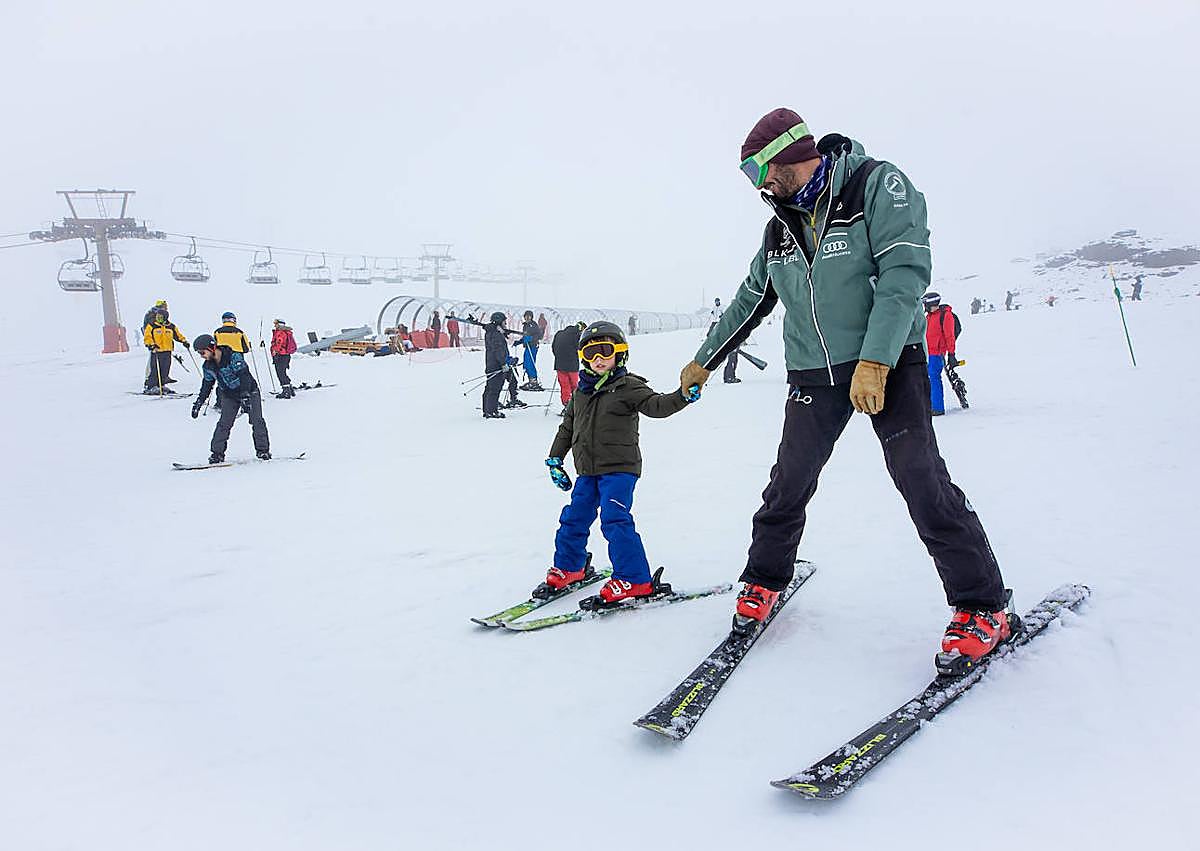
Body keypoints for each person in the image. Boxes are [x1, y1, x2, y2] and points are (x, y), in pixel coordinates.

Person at [681, 108, 1010, 665]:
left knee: (921, 479)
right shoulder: (780, 226)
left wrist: (876, 361)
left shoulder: (876, 185)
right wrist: (703, 360)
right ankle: (765, 578)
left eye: (760, 170)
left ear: (787, 153)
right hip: (816, 370)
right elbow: (750, 298)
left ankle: (981, 606)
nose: (760, 185)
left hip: (890, 363)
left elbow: (904, 274)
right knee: (788, 480)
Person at [540, 321, 699, 605]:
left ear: (620, 353)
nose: (598, 358)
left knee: (614, 519)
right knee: (573, 518)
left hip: (620, 469)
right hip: (587, 471)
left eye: (605, 350)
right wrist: (555, 459)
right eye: (590, 353)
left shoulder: (629, 387)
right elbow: (567, 428)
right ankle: (570, 567)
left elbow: (658, 406)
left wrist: (682, 396)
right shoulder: (580, 394)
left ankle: (634, 578)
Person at [191, 334, 270, 463]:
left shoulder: (233, 357)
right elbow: (206, 385)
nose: (201, 355)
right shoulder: (208, 367)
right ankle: (217, 454)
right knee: (224, 423)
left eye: (202, 352)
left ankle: (263, 451)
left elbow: (244, 375)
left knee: (256, 420)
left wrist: (245, 395)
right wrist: (199, 403)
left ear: (211, 347)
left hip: (250, 391)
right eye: (199, 353)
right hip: (229, 395)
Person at [922, 292, 958, 416]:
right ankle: (930, 405)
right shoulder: (928, 317)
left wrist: (951, 354)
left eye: (925, 303)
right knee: (927, 379)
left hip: (938, 354)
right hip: (927, 353)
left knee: (934, 379)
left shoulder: (945, 316)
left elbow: (950, 336)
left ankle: (937, 407)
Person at [481, 312, 519, 419]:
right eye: (504, 321)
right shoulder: (496, 335)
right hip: (496, 365)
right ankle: (491, 411)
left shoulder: (492, 332)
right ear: (499, 322)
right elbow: (499, 351)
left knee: (489, 388)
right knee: (494, 388)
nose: (505, 323)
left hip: (491, 363)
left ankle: (487, 409)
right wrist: (505, 363)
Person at [143, 310, 188, 394]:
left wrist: (184, 341)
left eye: (160, 317)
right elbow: (147, 337)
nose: (158, 318)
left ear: (165, 317)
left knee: (165, 369)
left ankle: (162, 385)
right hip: (156, 351)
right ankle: (151, 386)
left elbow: (178, 335)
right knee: (155, 369)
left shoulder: (171, 326)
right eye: (157, 317)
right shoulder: (152, 326)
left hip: (167, 350)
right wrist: (151, 345)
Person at [551, 320, 585, 414]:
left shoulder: (559, 334)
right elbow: (580, 348)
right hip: (572, 365)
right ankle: (576, 405)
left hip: (559, 365)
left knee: (564, 385)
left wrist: (559, 357)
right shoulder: (576, 336)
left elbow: (553, 347)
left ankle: (567, 404)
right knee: (574, 385)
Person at [708, 298, 740, 384]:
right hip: (731, 339)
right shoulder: (732, 314)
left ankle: (728, 377)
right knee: (732, 359)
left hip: (732, 339)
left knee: (733, 359)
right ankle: (729, 378)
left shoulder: (734, 313)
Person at [270, 319, 298, 398]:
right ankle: (289, 389)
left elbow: (279, 342)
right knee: (283, 372)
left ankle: (286, 391)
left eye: (276, 324)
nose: (275, 325)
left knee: (280, 373)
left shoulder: (281, 332)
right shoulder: (286, 332)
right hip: (285, 355)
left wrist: (275, 350)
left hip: (280, 355)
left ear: (280, 324)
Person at [518, 309, 544, 391]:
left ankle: (534, 381)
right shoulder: (525, 325)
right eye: (526, 316)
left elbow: (539, 336)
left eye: (529, 316)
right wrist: (519, 342)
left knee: (530, 363)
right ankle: (530, 380)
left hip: (532, 346)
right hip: (527, 346)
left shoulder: (533, 325)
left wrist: (531, 338)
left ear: (531, 317)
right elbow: (525, 336)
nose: (527, 318)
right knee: (526, 364)